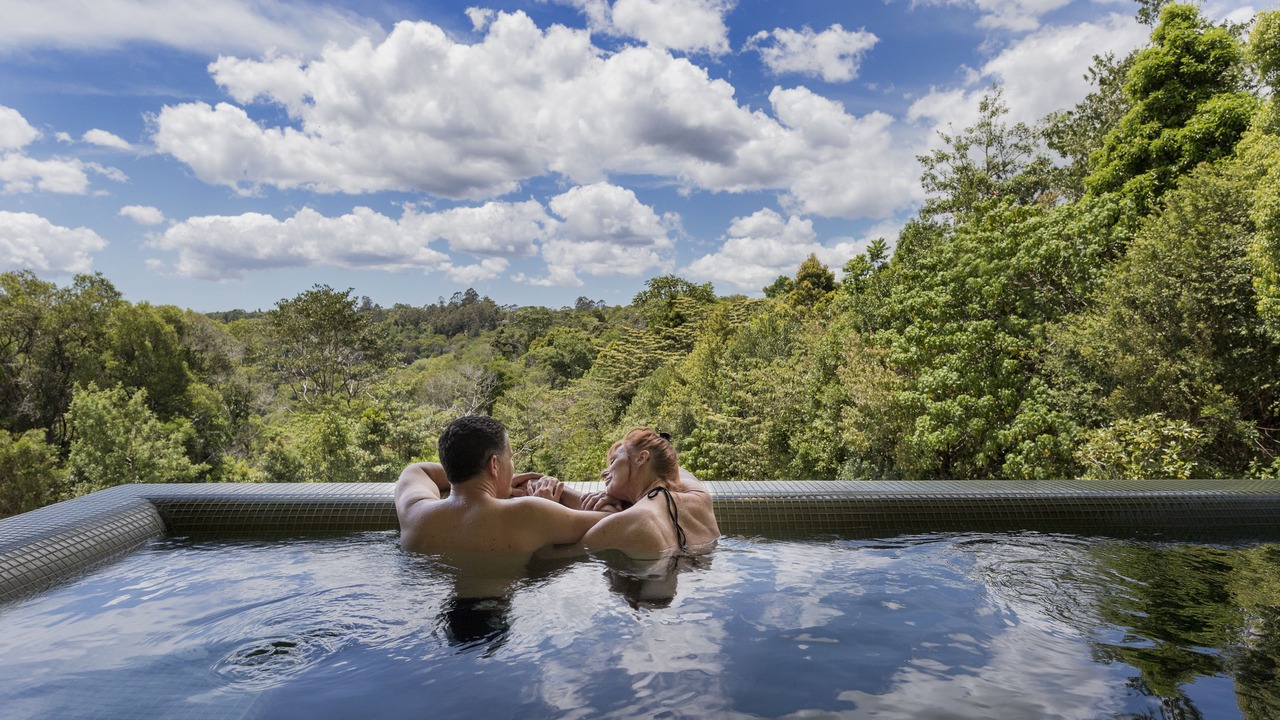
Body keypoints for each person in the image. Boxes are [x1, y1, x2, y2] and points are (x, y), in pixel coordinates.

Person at [395, 415, 610, 556]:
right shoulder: (530, 513)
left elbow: (417, 470)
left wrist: (491, 481)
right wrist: (553, 503)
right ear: (494, 465)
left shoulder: (416, 514)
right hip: (500, 622)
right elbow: (614, 519)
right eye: (510, 457)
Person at [552, 428, 720, 558]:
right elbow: (672, 466)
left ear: (641, 459)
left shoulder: (629, 522)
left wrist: (550, 502)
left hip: (643, 594)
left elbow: (553, 558)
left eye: (613, 461)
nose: (605, 472)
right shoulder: (699, 496)